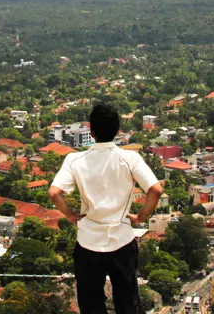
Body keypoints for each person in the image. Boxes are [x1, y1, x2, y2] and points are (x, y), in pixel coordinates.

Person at [49, 103, 164, 314]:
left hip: (88, 243)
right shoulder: (129, 158)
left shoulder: (75, 159)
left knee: (91, 304)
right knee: (127, 303)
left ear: (91, 131)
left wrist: (70, 215)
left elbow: (54, 192)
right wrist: (139, 217)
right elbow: (155, 190)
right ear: (117, 130)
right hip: (121, 241)